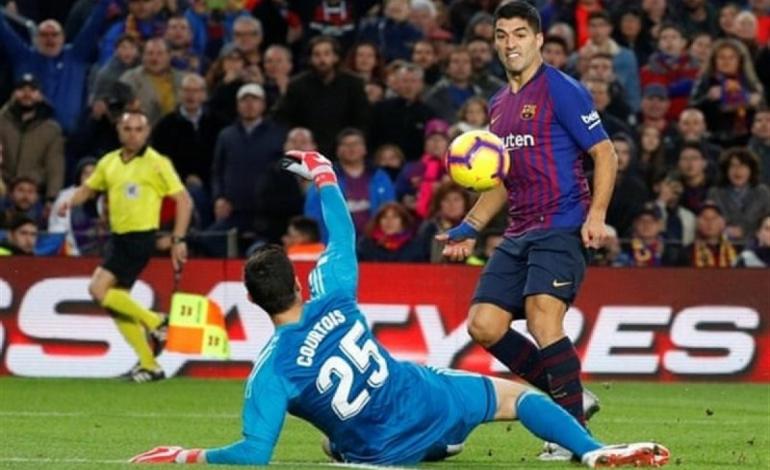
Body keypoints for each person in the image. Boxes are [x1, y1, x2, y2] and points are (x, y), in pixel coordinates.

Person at [129, 149, 670, 467]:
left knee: (333, 442)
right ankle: (591, 451)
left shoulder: (270, 373)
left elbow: (253, 454)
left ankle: (429, 446)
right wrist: (324, 174)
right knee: (518, 397)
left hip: (379, 451)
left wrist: (186, 455)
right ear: (297, 281)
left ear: (251, 301)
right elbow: (342, 233)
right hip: (424, 399)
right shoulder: (332, 294)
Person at [437, 2, 617, 461]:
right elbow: (501, 181)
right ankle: (572, 397)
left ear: (538, 39)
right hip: (519, 231)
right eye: (502, 35)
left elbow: (605, 153)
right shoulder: (499, 105)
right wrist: (470, 226)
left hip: (562, 223)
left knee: (542, 317)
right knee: (484, 325)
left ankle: (571, 432)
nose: (510, 43)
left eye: (519, 34)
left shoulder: (561, 90)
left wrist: (597, 214)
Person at [57, 111, 193, 383]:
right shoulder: (109, 161)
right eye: (127, 129)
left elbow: (184, 200)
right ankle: (149, 364)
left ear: (147, 132)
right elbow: (89, 188)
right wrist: (70, 201)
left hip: (140, 238)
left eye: (138, 129)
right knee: (116, 302)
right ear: (119, 131)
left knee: (97, 289)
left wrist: (178, 238)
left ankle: (155, 321)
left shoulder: (157, 163)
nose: (133, 135)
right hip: (117, 238)